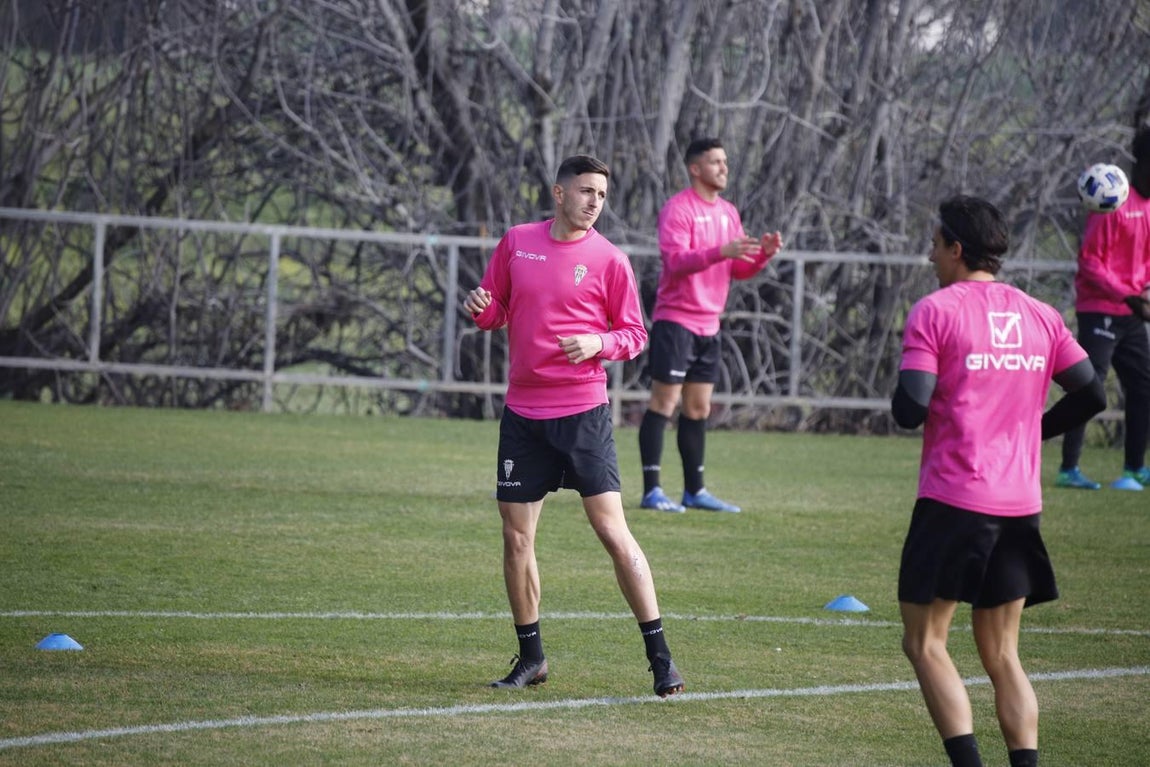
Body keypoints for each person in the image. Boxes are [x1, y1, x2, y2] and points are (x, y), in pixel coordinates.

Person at [891, 195, 1106, 767]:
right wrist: (1033, 432)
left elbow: (911, 408)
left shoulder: (936, 311)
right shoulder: (1039, 313)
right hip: (1018, 504)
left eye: (936, 245)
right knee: (1003, 654)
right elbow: (1092, 392)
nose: (931, 255)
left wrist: (907, 388)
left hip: (955, 499)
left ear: (957, 248)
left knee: (925, 641)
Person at [463, 154, 685, 697]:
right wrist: (481, 308)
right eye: (586, 191)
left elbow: (635, 334)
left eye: (602, 195)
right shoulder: (517, 242)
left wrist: (598, 342)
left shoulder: (610, 260)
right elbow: (497, 311)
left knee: (612, 531)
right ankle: (531, 658)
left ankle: (661, 660)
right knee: (517, 538)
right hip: (523, 414)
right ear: (559, 193)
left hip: (583, 413)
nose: (594, 203)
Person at [638, 137, 784, 513]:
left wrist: (762, 256)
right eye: (716, 161)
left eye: (725, 161)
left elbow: (737, 269)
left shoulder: (728, 213)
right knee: (664, 403)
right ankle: (652, 491)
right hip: (676, 321)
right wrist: (721, 251)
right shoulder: (678, 209)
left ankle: (695, 491)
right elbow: (675, 262)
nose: (724, 168)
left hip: (709, 325)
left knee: (699, 408)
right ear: (695, 168)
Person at [1057, 126, 1150, 491]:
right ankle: (1068, 469)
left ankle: (1134, 468)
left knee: (1143, 387)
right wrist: (1127, 294)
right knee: (1089, 387)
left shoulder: (1148, 207)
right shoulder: (1113, 201)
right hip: (1100, 310)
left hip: (1130, 313)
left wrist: (1142, 292)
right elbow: (1090, 263)